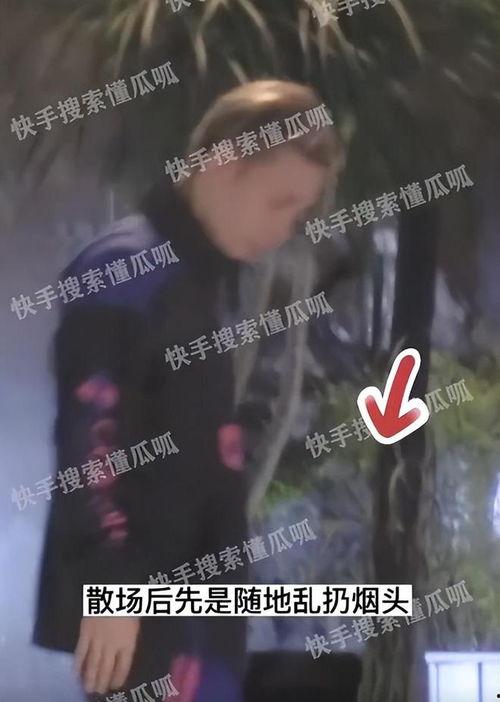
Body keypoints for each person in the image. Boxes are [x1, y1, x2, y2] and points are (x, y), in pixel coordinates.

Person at [33, 79, 344, 702]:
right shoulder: (124, 272)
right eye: (280, 201)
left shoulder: (194, 283)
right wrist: (112, 590)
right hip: (148, 623)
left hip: (194, 619)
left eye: (299, 211)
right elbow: (89, 446)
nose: (286, 227)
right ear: (223, 165)